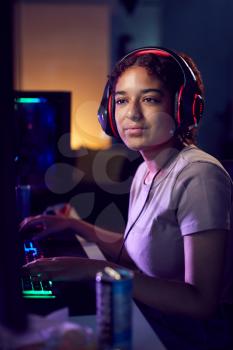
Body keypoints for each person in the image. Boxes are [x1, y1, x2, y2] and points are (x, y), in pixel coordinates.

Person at [21, 47, 233, 350]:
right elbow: (136, 254)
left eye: (149, 99)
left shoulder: (199, 176)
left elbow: (201, 303)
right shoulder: (146, 170)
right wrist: (75, 225)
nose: (131, 113)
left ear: (183, 107)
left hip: (188, 339)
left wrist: (94, 270)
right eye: (121, 100)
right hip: (148, 320)